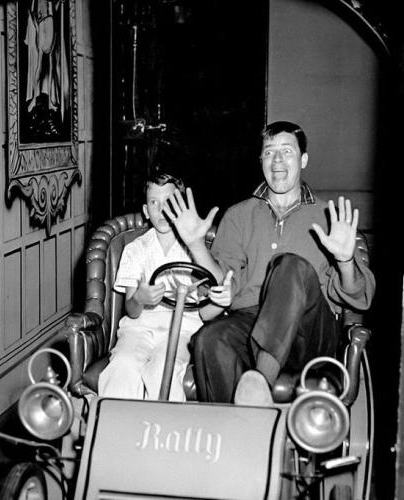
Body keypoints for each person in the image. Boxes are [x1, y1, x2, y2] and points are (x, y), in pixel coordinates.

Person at [163, 121, 375, 404]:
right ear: (260, 160)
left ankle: (258, 383)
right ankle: (235, 436)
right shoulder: (239, 215)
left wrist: (345, 260)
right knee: (209, 339)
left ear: (303, 160)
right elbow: (221, 283)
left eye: (286, 151)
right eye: (269, 152)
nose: (277, 160)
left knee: (289, 266)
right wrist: (196, 246)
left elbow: (360, 299)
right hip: (250, 320)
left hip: (310, 331)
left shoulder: (329, 217)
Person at [98, 172, 233, 401]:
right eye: (154, 203)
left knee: (163, 370)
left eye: (169, 203)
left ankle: (165, 431)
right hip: (139, 329)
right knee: (123, 365)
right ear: (145, 210)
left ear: (180, 208)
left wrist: (221, 302)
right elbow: (131, 310)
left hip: (181, 331)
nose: (161, 210)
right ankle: (115, 429)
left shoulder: (195, 251)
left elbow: (204, 311)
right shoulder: (135, 249)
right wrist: (139, 298)